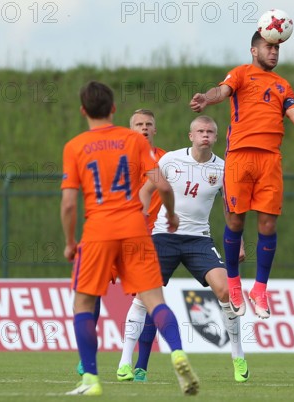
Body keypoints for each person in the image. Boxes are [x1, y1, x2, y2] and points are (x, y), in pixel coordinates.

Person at [61, 81, 199, 396]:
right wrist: (173, 215)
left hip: (97, 232)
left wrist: (70, 242)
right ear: (113, 109)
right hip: (136, 228)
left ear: (83, 111)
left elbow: (69, 203)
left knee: (84, 301)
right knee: (154, 300)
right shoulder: (133, 141)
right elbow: (163, 187)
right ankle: (177, 353)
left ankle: (90, 379)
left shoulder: (75, 146)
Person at [189, 31, 294, 319]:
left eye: (277, 48)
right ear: (254, 51)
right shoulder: (241, 74)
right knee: (235, 219)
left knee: (268, 224)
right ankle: (233, 282)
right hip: (240, 157)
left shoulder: (283, 85)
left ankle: (260, 288)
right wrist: (207, 100)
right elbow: (222, 91)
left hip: (270, 159)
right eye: (269, 47)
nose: (274, 52)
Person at [116, 115, 249, 383]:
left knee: (226, 290)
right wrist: (138, 222)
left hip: (199, 240)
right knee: (143, 296)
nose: (205, 135)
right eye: (200, 130)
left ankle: (238, 356)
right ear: (191, 135)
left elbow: (230, 208)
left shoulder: (223, 169)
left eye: (210, 131)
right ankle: (124, 363)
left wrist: (240, 240)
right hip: (164, 236)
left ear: (216, 137)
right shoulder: (170, 160)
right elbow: (145, 191)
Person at [75, 108, 166, 378]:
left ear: (155, 129)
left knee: (147, 299)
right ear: (130, 129)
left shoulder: (167, 160)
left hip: (149, 239)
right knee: (92, 290)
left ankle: (141, 365)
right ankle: (88, 353)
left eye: (149, 123)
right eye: (138, 124)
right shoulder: (118, 158)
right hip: (115, 232)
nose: (144, 128)